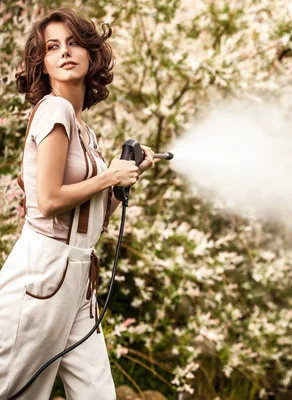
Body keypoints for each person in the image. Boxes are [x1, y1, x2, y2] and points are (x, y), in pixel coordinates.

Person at [0, 8, 157, 399]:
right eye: (53, 47)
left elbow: (92, 218)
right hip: (44, 273)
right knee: (13, 389)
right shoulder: (55, 110)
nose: (65, 52)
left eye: (73, 43)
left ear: (91, 55)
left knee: (97, 393)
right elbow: (49, 201)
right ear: (44, 64)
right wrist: (108, 176)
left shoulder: (82, 128)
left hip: (79, 276)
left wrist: (125, 178)